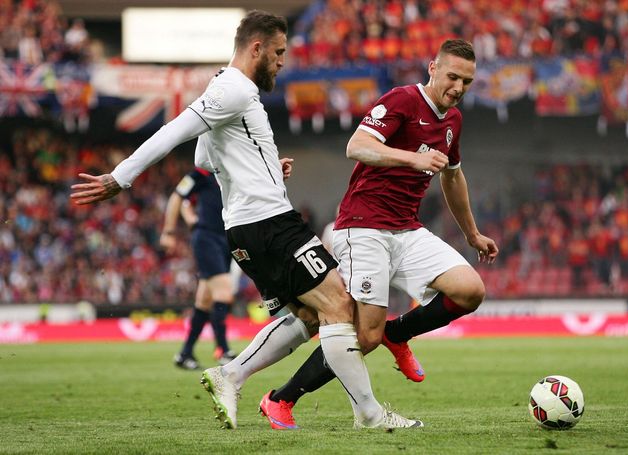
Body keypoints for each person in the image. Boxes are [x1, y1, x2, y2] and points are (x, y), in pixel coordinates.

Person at [70, 10, 421, 430]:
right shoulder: (233, 89)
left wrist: (265, 165)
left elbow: (204, 157)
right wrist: (119, 178)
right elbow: (173, 132)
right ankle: (368, 414)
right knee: (340, 304)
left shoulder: (229, 89)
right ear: (256, 48)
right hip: (269, 223)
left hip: (247, 227)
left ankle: (231, 374)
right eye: (278, 52)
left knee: (310, 316)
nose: (281, 61)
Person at [258, 38, 499, 430]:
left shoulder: (452, 121)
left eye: (467, 81)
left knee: (470, 290)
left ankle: (398, 333)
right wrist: (414, 158)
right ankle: (280, 399)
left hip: (406, 228)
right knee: (362, 337)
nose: (458, 87)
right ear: (432, 68)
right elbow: (358, 146)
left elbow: (453, 177)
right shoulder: (403, 100)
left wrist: (471, 233)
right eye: (453, 76)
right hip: (363, 226)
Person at [160, 167, 238, 370]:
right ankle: (223, 350)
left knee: (204, 300)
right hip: (207, 238)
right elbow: (179, 197)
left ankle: (185, 353)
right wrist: (169, 231)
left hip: (226, 240)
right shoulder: (201, 174)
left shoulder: (231, 172)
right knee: (224, 292)